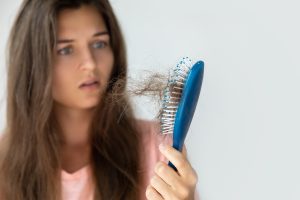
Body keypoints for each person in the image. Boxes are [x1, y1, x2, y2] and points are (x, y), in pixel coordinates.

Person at [0, 0, 199, 199]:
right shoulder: (3, 162)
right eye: (66, 50)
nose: (89, 63)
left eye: (99, 44)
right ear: (33, 63)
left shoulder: (158, 149)